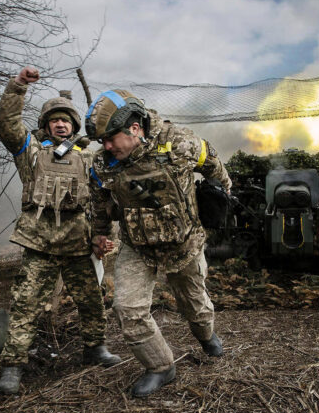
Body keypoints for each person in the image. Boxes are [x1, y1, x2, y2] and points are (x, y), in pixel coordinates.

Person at [85, 90, 232, 397]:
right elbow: (99, 202)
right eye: (103, 142)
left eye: (111, 139)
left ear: (134, 128)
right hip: (138, 247)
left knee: (196, 308)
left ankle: (206, 335)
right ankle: (161, 367)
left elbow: (214, 165)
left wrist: (221, 197)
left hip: (185, 244)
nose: (107, 147)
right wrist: (100, 234)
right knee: (127, 308)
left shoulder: (180, 143)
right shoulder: (103, 164)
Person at [0, 67, 121, 395]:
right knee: (26, 304)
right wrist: (18, 86)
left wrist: (101, 236)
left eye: (66, 119)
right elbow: (6, 124)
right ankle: (13, 365)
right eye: (54, 119)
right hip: (39, 244)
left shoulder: (88, 157)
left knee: (92, 299)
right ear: (46, 124)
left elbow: (100, 197)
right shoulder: (30, 152)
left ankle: (95, 348)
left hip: (78, 243)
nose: (61, 123)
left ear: (74, 125)